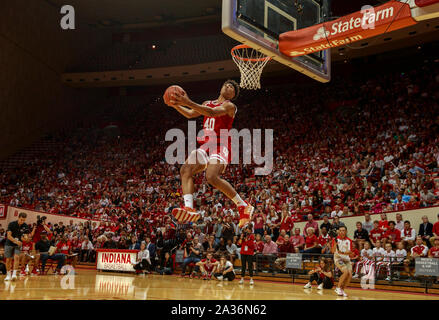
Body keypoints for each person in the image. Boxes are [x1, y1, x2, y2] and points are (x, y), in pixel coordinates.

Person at [170, 80, 254, 228]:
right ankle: (189, 208)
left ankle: (242, 205)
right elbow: (190, 114)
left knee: (211, 176)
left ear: (233, 95)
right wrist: (175, 105)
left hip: (221, 144)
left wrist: (187, 101)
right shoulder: (207, 102)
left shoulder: (230, 106)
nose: (228, 87)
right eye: (226, 85)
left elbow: (212, 113)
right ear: (221, 87)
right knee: (185, 169)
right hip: (206, 145)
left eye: (232, 88)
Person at [4, 212, 30, 281]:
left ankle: (14, 274)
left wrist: (25, 238)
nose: (22, 221)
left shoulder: (25, 226)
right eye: (21, 219)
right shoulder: (11, 224)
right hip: (9, 243)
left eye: (24, 220)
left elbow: (25, 237)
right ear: (18, 217)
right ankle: (8, 275)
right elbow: (8, 236)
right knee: (8, 259)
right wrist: (16, 241)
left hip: (18, 244)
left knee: (17, 257)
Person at [331, 226, 353, 297]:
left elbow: (350, 252)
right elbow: (332, 251)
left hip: (346, 259)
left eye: (343, 230)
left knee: (350, 275)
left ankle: (342, 289)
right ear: (338, 232)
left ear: (346, 232)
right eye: (340, 230)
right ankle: (337, 288)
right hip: (338, 259)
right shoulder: (335, 240)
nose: (341, 232)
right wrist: (335, 244)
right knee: (345, 271)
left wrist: (343, 252)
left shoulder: (349, 240)